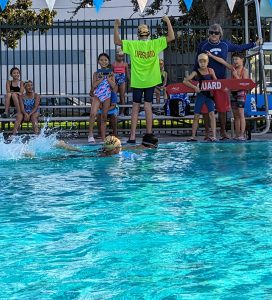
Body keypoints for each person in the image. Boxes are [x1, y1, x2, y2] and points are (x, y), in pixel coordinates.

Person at [114, 16, 175, 144]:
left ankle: (132, 136)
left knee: (135, 107)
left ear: (138, 34)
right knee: (148, 106)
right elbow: (171, 37)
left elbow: (116, 41)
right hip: (150, 81)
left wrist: (116, 25)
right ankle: (148, 134)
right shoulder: (155, 43)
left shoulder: (133, 44)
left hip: (138, 81)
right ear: (149, 33)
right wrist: (167, 21)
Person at [195, 23, 261, 140]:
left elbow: (239, 48)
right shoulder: (203, 45)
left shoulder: (225, 44)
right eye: (211, 33)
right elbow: (197, 61)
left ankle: (223, 132)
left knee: (223, 109)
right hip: (206, 81)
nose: (213, 35)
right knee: (205, 109)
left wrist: (254, 44)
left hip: (221, 80)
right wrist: (195, 77)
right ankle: (207, 132)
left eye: (216, 33)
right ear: (208, 33)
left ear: (220, 34)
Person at [207, 51, 248, 140]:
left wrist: (236, 76)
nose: (235, 61)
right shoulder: (233, 68)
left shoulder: (244, 70)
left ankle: (242, 134)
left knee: (241, 113)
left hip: (241, 92)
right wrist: (211, 56)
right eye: (233, 59)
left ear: (242, 60)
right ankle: (237, 135)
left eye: (237, 59)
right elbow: (223, 62)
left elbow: (244, 83)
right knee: (235, 115)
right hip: (233, 92)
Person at [184, 53, 217, 142]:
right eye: (200, 61)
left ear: (208, 62)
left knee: (212, 115)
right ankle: (193, 136)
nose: (202, 63)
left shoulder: (211, 71)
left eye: (204, 61)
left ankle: (214, 136)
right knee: (196, 115)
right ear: (198, 62)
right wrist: (194, 87)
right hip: (201, 95)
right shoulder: (195, 72)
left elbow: (217, 82)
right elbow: (185, 81)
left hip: (209, 96)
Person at [88, 53, 117, 144]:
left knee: (104, 117)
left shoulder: (111, 74)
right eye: (101, 60)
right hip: (97, 95)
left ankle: (103, 138)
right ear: (98, 62)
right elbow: (94, 85)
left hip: (107, 96)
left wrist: (108, 78)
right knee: (93, 114)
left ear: (108, 61)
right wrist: (100, 78)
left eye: (105, 60)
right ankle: (90, 134)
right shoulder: (96, 73)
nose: (103, 62)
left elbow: (113, 86)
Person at [112, 48, 130, 116]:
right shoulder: (113, 64)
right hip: (115, 80)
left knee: (122, 97)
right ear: (116, 56)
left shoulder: (125, 64)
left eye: (122, 56)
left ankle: (122, 112)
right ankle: (114, 110)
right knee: (114, 96)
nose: (120, 57)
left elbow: (127, 73)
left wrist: (130, 81)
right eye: (119, 56)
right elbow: (111, 73)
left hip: (122, 81)